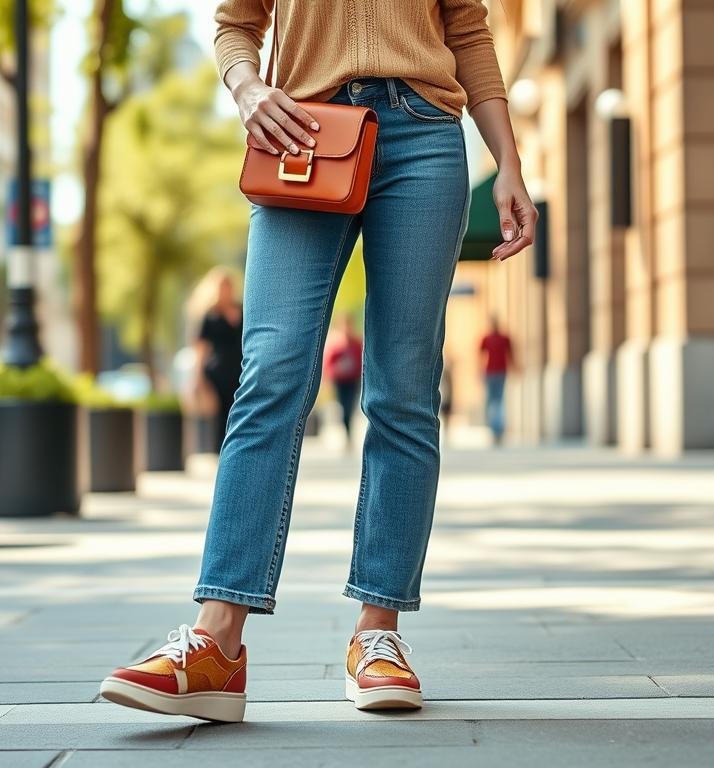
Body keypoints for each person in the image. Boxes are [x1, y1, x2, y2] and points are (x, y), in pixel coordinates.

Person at [100, 0, 537, 723]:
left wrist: (510, 164)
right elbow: (236, 22)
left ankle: (378, 633)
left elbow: (467, 29)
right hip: (300, 130)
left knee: (403, 389)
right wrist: (247, 91)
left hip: (426, 136)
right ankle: (217, 644)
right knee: (270, 373)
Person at [193, 269, 244, 453]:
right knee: (222, 414)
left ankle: (237, 450)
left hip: (241, 370)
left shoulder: (242, 310)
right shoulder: (211, 316)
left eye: (229, 286)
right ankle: (222, 453)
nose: (226, 290)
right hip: (218, 372)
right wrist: (197, 377)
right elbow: (201, 348)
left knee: (240, 411)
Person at [323, 313, 363, 450]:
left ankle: (349, 433)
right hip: (340, 382)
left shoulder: (357, 343)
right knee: (343, 407)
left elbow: (362, 361)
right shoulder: (337, 345)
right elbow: (329, 364)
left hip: (353, 381)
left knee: (350, 406)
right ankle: (347, 433)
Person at [479, 316, 514, 446]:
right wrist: (479, 372)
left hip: (500, 373)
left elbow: (511, 354)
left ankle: (498, 430)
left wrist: (515, 368)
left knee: (498, 402)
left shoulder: (504, 338)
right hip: (490, 373)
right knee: (492, 402)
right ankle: (495, 430)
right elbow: (480, 356)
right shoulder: (486, 339)